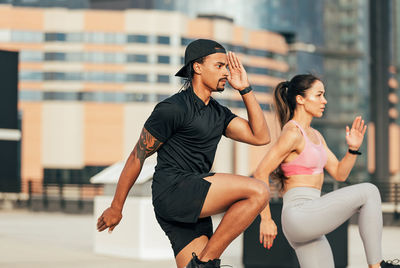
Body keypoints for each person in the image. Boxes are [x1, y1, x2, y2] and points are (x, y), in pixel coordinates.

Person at [96, 39, 271, 268]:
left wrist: (245, 89)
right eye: (219, 66)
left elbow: (261, 137)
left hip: (195, 198)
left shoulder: (219, 114)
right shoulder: (173, 109)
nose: (226, 73)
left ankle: (202, 264)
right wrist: (117, 207)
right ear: (197, 67)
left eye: (226, 67)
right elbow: (136, 157)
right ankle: (205, 263)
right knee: (258, 191)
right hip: (173, 191)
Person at [253, 74, 400, 268]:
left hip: (311, 217)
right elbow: (260, 172)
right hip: (299, 214)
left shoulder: (316, 136)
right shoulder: (293, 133)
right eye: (319, 95)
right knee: (370, 191)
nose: (325, 101)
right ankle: (376, 265)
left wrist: (353, 149)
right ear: (300, 99)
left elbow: (340, 173)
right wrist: (266, 219)